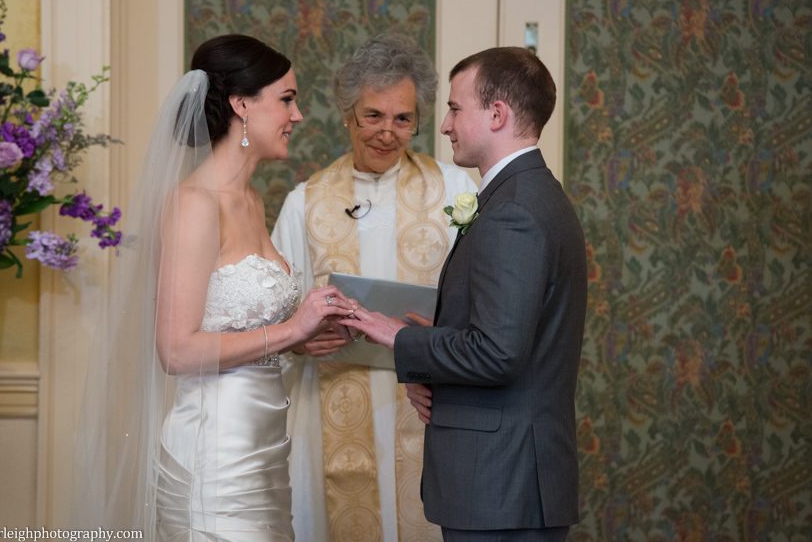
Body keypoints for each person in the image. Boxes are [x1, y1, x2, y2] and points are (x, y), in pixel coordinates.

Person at [73, 34, 354, 541]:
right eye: (287, 99)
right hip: (214, 461)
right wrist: (292, 329)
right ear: (242, 104)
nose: (299, 116)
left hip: (263, 451)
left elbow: (239, 328)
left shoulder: (249, 200)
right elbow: (177, 350)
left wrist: (303, 340)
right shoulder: (195, 203)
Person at [341, 47, 588, 542]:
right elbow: (513, 336)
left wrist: (399, 339)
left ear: (497, 114)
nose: (447, 125)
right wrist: (436, 346)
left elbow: (498, 354)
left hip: (501, 483)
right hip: (508, 483)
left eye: (456, 108)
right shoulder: (525, 195)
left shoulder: (513, 210)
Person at [271, 33, 477, 542]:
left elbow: (484, 300)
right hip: (334, 401)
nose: (388, 132)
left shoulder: (456, 190)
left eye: (403, 118)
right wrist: (299, 340)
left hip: (428, 401)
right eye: (373, 116)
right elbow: (273, 317)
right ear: (348, 113)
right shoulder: (305, 202)